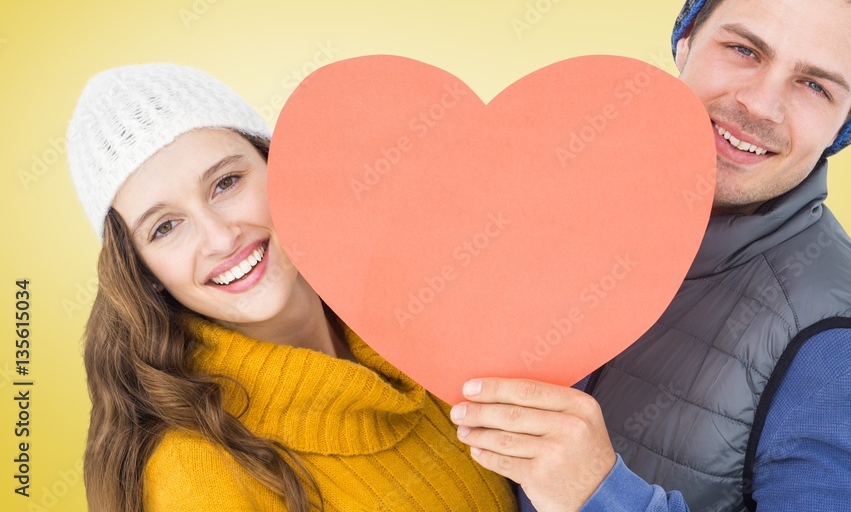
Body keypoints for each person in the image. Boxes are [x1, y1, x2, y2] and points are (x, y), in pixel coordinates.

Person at [452, 0, 851, 511]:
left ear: (844, 128)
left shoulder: (840, 358)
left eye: (815, 86)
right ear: (685, 40)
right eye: (743, 49)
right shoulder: (555, 217)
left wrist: (602, 495)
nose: (759, 104)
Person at [67, 63, 517, 511]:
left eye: (226, 183)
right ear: (143, 272)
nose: (221, 238)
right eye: (165, 227)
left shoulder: (432, 327)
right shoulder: (195, 478)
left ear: (277, 166)